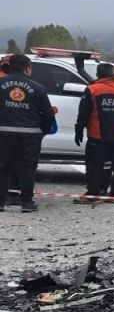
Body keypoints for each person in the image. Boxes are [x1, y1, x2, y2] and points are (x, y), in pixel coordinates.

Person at [0, 53, 56, 212]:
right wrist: (43, 132)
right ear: (27, 68)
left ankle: (0, 202)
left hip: (3, 134)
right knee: (28, 169)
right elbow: (48, 115)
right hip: (30, 136)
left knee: (2, 168)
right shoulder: (38, 88)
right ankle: (27, 203)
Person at [74, 62, 114, 203]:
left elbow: (83, 114)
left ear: (98, 74)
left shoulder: (92, 89)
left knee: (94, 166)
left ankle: (93, 194)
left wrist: (78, 130)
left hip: (98, 135)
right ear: (112, 75)